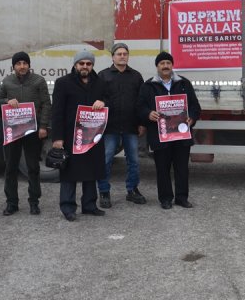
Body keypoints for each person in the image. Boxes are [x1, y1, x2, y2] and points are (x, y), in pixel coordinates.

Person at [137, 52, 201, 210]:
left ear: (172, 65)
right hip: (160, 135)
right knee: (162, 168)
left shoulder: (184, 83)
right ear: (157, 66)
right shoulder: (148, 86)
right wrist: (148, 114)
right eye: (162, 63)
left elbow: (195, 106)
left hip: (181, 135)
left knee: (182, 168)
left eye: (168, 63)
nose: (165, 66)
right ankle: (165, 199)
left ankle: (182, 198)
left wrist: (192, 118)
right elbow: (139, 107)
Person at [51, 50, 109, 221]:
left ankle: (89, 205)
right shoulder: (63, 83)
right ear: (75, 65)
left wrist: (104, 102)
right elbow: (57, 112)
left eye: (88, 64)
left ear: (92, 65)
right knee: (69, 173)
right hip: (70, 137)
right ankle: (68, 207)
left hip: (92, 136)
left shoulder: (100, 83)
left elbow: (110, 101)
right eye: (81, 63)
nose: (85, 66)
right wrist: (57, 137)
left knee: (91, 171)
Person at [0, 51, 52, 216]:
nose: (22, 66)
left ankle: (34, 202)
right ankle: (11, 203)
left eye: (25, 63)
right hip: (12, 130)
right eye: (18, 63)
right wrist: (6, 101)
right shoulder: (7, 81)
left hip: (32, 130)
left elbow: (46, 104)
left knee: (33, 167)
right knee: (10, 167)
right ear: (13, 66)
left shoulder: (38, 81)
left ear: (29, 65)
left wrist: (43, 126)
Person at [97, 42, 147, 208]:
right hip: (109, 127)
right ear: (112, 57)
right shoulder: (103, 76)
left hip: (130, 126)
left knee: (134, 160)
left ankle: (132, 190)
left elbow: (141, 102)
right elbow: (97, 98)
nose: (122, 56)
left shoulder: (136, 76)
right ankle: (104, 192)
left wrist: (141, 123)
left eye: (125, 54)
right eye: (119, 54)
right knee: (106, 160)